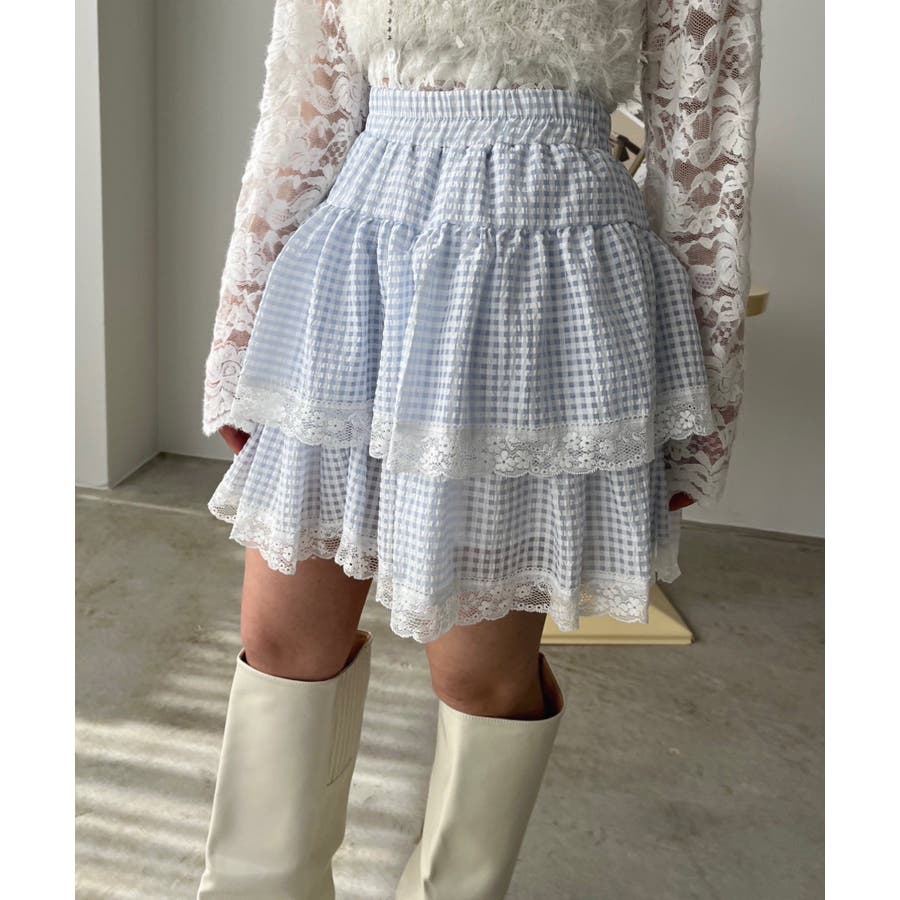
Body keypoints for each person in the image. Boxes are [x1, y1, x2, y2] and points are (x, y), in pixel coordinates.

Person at [196, 1, 762, 897]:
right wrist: (240, 336)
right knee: (281, 641)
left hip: (542, 295)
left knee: (481, 679)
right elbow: (302, 118)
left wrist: (702, 402)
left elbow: (704, 158)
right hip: (355, 278)